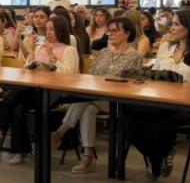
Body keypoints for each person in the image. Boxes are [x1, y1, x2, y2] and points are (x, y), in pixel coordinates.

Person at [125, 10, 190, 179]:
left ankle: (159, 157)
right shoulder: (166, 47)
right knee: (128, 114)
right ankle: (159, 154)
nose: (171, 28)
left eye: (176, 24)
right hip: (162, 102)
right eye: (172, 23)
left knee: (157, 121)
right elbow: (155, 75)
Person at [0, 14, 80, 157]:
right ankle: (20, 150)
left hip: (54, 93)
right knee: (17, 107)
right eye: (47, 29)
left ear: (61, 30)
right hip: (35, 90)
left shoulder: (69, 50)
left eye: (52, 29)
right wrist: (32, 50)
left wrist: (52, 57)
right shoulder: (40, 47)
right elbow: (26, 69)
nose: (48, 32)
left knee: (16, 94)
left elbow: (69, 75)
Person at [51, 16, 143, 174]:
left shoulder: (135, 57)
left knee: (85, 101)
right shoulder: (103, 53)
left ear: (127, 33)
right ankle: (88, 156)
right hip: (95, 97)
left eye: (115, 31)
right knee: (88, 107)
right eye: (109, 31)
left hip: (117, 100)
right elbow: (91, 75)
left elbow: (131, 84)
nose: (110, 34)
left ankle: (60, 132)